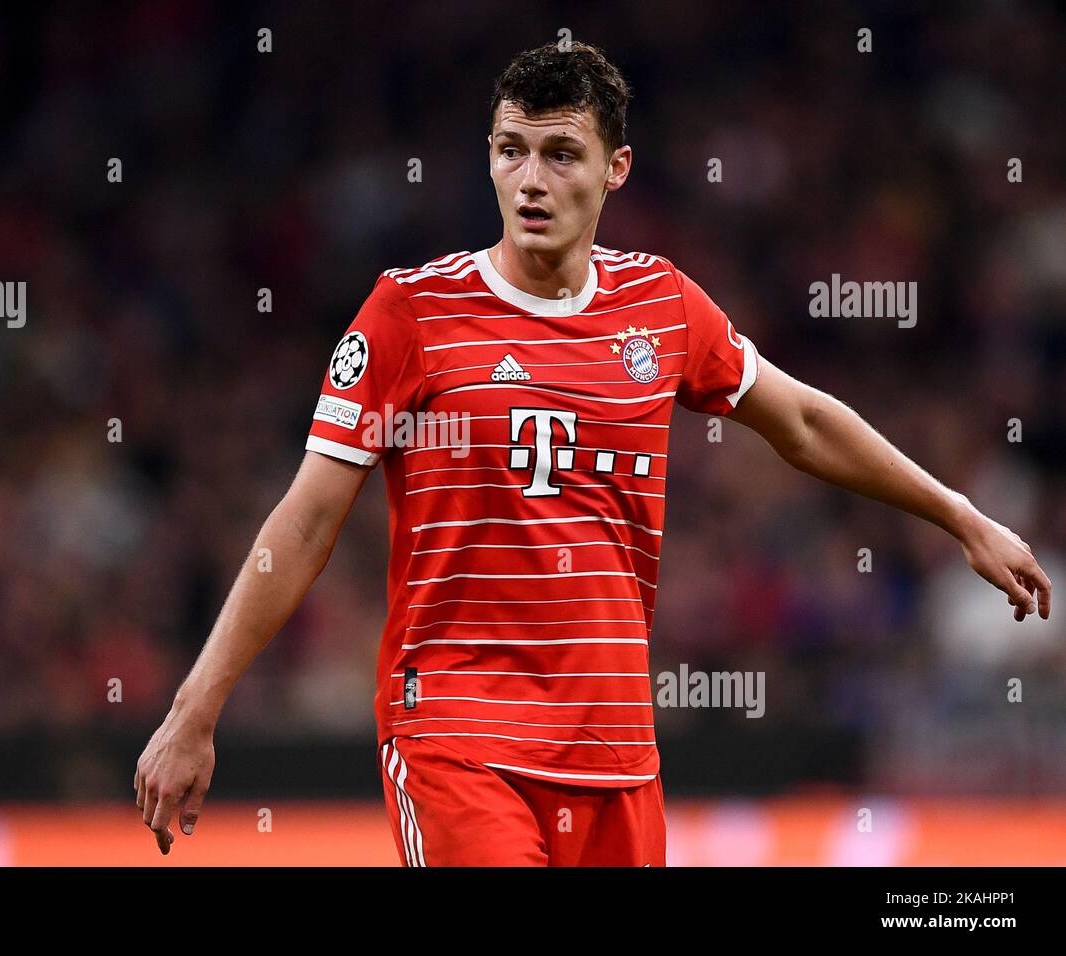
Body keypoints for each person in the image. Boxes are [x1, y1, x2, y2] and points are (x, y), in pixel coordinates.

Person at [134, 41, 1051, 866]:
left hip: (614, 756)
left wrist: (959, 516)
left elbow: (801, 422)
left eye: (560, 154)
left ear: (615, 169)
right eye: (510, 151)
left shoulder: (662, 305)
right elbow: (304, 520)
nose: (530, 179)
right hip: (457, 739)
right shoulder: (408, 314)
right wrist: (195, 708)